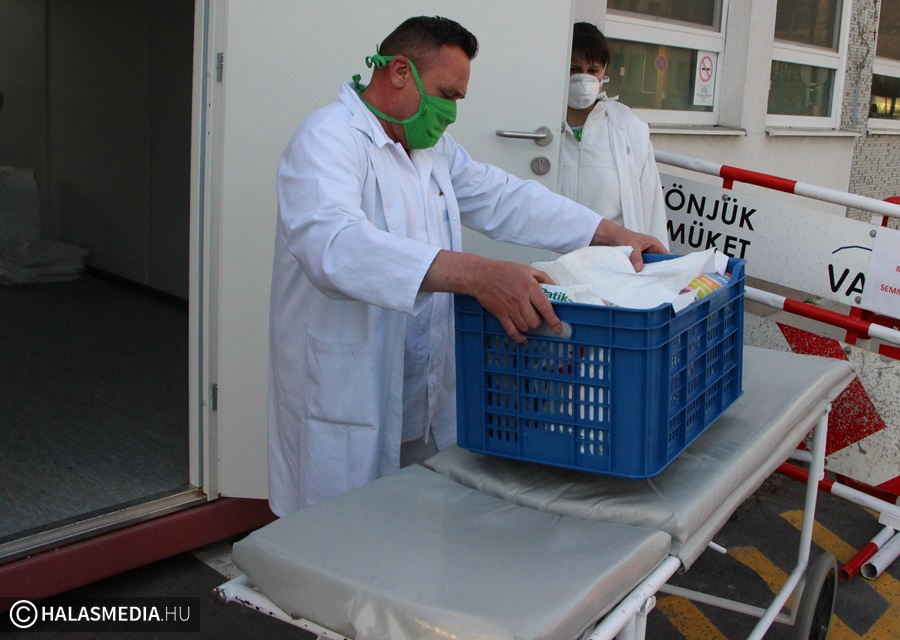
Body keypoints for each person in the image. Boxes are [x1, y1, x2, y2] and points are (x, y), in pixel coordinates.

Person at [268, 16, 666, 516]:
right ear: (399, 72)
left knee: (417, 524)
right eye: (446, 95)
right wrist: (476, 275)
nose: (451, 113)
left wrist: (611, 234)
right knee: (336, 535)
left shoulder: (431, 149)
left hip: (422, 390)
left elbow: (505, 198)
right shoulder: (328, 138)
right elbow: (331, 244)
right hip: (349, 391)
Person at [562, 22, 669, 247]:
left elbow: (652, 210)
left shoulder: (629, 130)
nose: (583, 79)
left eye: (593, 71)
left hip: (609, 262)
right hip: (548, 260)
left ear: (605, 72)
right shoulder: (542, 131)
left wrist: (657, 261)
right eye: (574, 69)